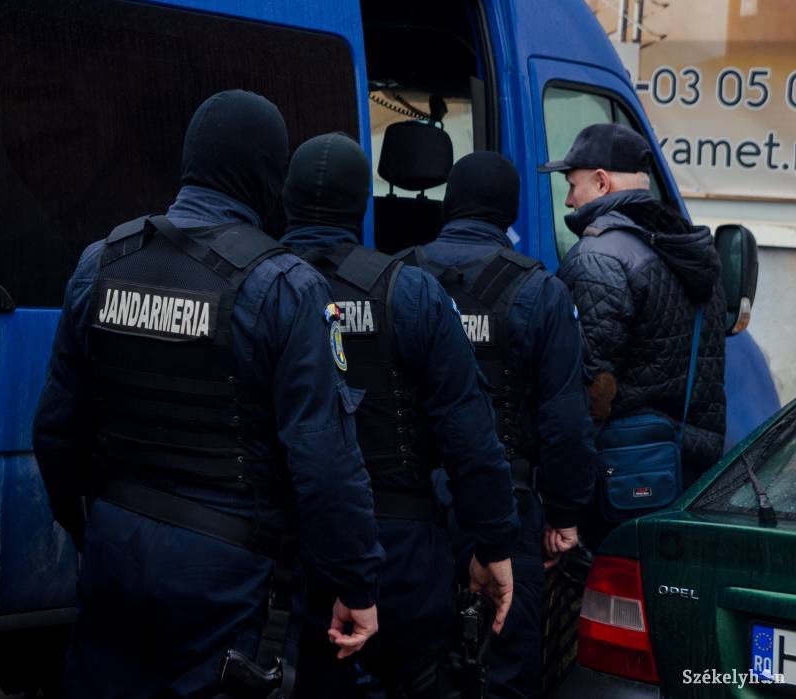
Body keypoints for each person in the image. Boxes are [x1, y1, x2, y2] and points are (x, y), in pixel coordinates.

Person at [32, 92, 384, 699]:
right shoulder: (286, 285)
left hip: (116, 548)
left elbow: (56, 431)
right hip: (228, 575)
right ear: (266, 174)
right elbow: (324, 461)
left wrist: (95, 528)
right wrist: (356, 584)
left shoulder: (102, 262)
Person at [280, 132, 519, 699]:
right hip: (401, 551)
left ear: (286, 200)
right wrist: (493, 542)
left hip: (285, 545)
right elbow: (468, 434)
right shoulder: (409, 292)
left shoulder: (261, 285)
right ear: (361, 205)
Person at [413, 149, 597, 699]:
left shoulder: (400, 275)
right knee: (503, 671)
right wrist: (565, 515)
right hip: (508, 511)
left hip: (412, 509)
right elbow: (566, 422)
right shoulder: (541, 292)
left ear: (450, 204)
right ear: (510, 212)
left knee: (413, 671)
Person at [540, 123, 726, 490]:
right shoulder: (694, 250)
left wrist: (562, 484)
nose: (568, 201)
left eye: (572, 186)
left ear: (601, 182)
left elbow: (588, 386)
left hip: (622, 468)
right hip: (687, 462)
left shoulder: (598, 257)